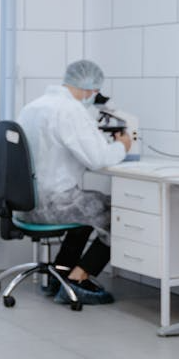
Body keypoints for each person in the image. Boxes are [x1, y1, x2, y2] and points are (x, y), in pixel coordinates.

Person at [17, 59, 132, 305]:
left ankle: (61, 273)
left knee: (86, 212)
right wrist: (122, 146)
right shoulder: (70, 110)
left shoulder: (33, 106)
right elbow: (98, 159)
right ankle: (79, 279)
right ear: (91, 88)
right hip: (54, 205)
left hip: (26, 205)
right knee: (119, 213)